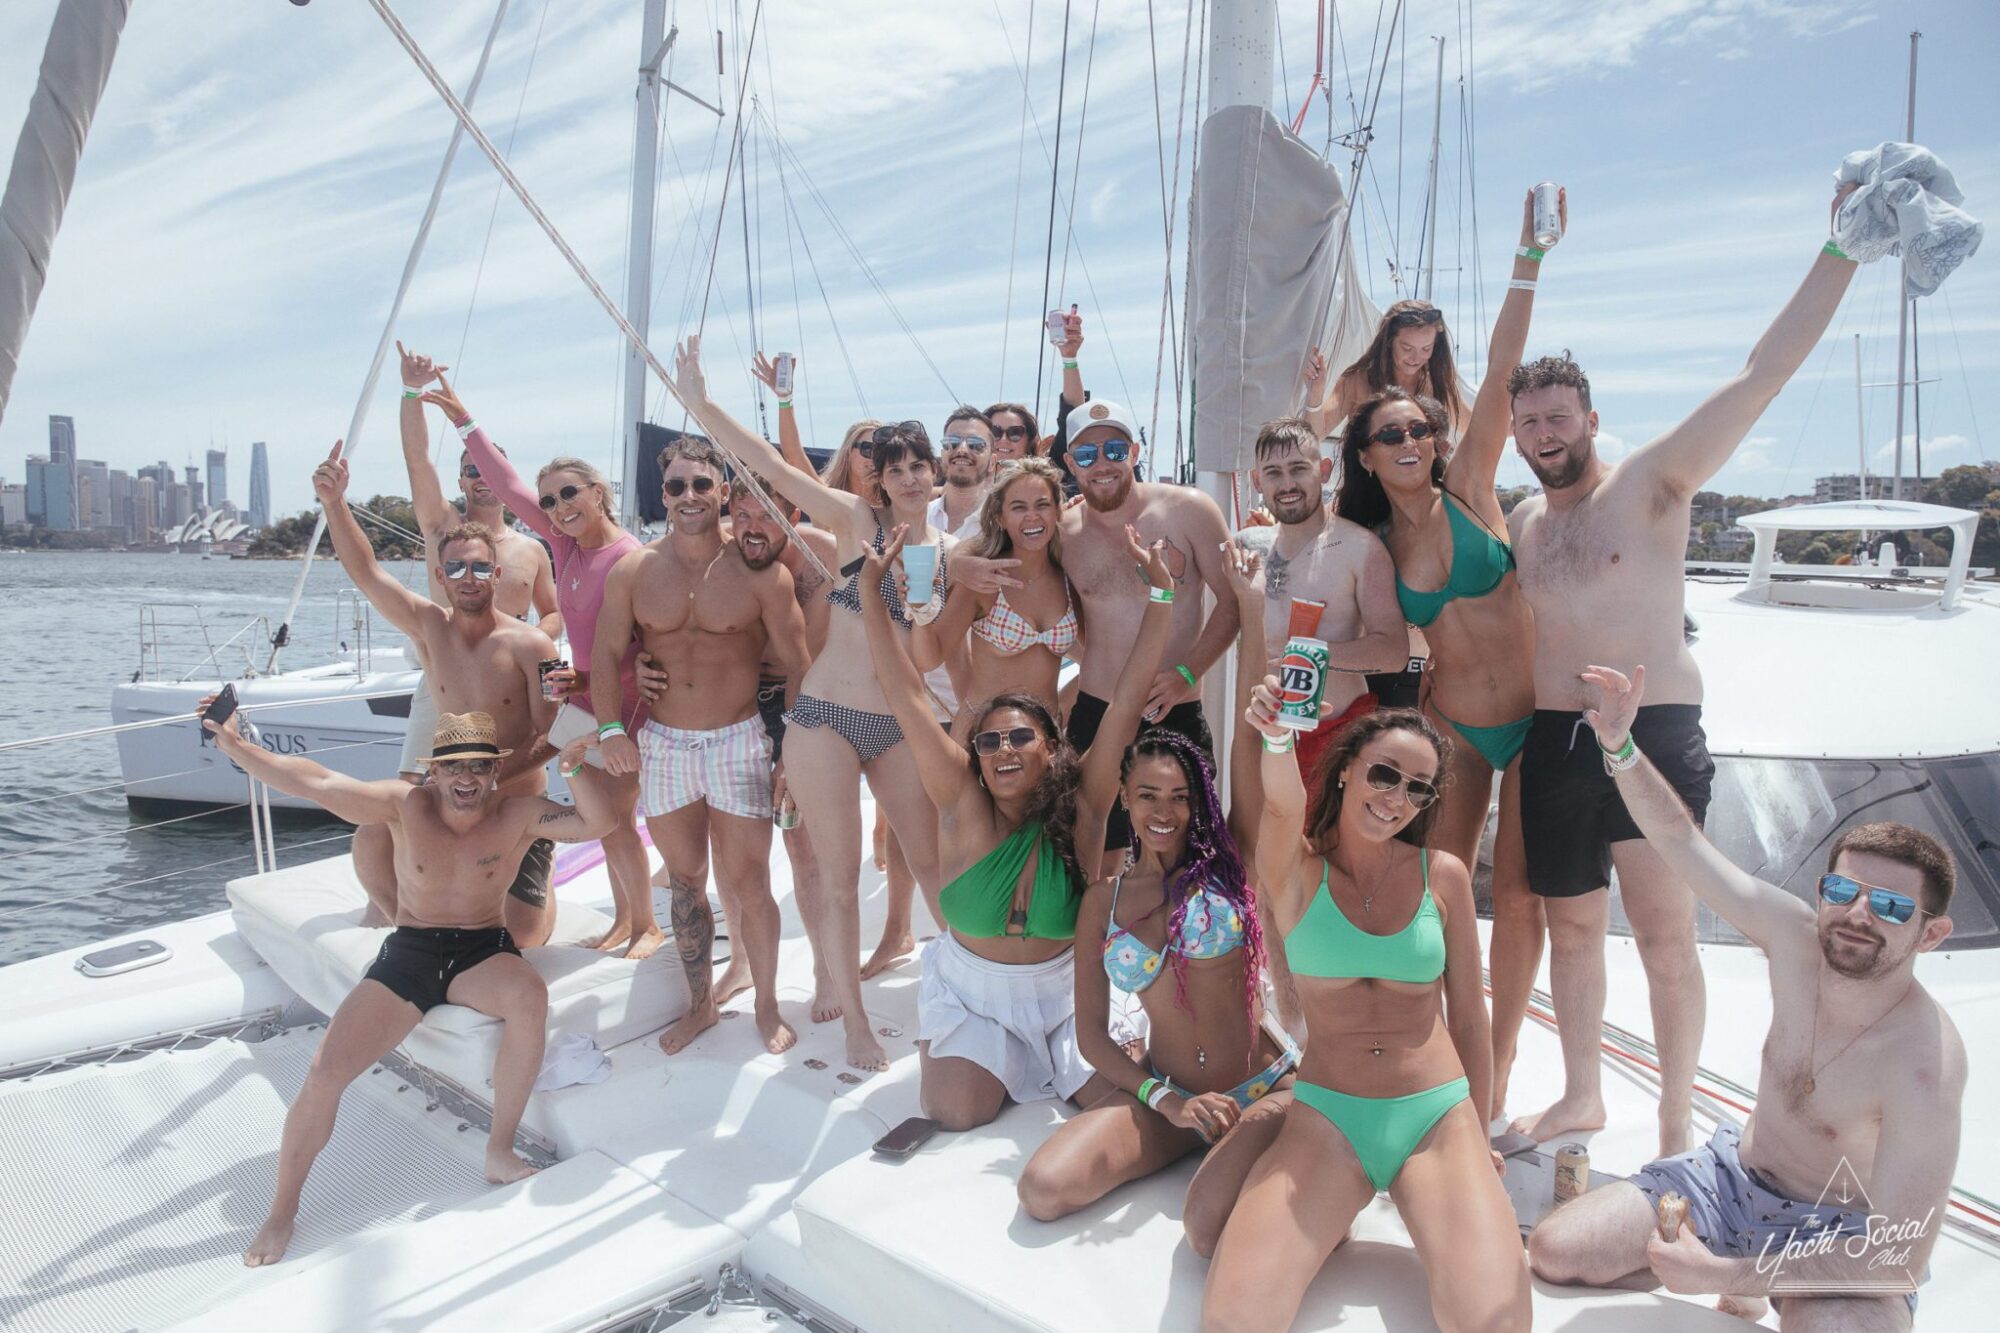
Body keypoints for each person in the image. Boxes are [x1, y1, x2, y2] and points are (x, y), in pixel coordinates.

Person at [1505, 186, 1860, 1158]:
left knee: (1664, 939)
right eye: (1526, 419)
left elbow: (1759, 375)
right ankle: (1581, 1095)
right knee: (1571, 937)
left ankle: (1670, 1117)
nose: (1542, 432)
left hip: (1648, 733)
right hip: (1551, 741)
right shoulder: (1520, 526)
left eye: (1556, 414)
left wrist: (1837, 252)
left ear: (1587, 416)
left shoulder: (1651, 483)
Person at [1528, 665, 1963, 1330]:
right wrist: (1620, 746)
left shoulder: (1926, 1059)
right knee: (1557, 1250)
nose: (1858, 916)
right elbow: (1679, 841)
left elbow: (1895, 1257)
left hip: (1834, 1224)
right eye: (1844, 893)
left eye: (1892, 906)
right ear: (1824, 894)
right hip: (1730, 1179)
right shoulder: (1793, 940)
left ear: (1931, 933)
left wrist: (1724, 1274)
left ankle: (1750, 1280)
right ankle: (1726, 1262)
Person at [209, 706, 613, 1267]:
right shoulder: (403, 806)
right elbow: (317, 781)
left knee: (529, 997)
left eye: (477, 767)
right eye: (454, 768)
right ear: (434, 773)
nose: (466, 778)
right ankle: (282, 1211)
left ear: (495, 772)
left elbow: (597, 825)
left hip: (481, 950)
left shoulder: (518, 813)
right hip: (411, 954)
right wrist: (237, 749)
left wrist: (573, 766)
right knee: (326, 1071)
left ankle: (498, 1149)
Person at [1332, 187, 1561, 1120]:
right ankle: (1424, 1051)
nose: (1414, 439)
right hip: (1455, 728)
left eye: (1421, 427)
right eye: (1393, 433)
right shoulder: (1373, 533)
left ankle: (1494, 1075)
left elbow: (1505, 368)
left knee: (1525, 901)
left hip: (1537, 717)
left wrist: (1527, 259)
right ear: (1369, 449)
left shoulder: (1470, 482)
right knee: (1441, 893)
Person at [670, 335, 956, 1071]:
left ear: (936, 474)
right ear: (881, 481)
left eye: (921, 466)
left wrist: (923, 603)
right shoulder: (855, 525)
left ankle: (958, 996)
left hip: (897, 722)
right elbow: (769, 468)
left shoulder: (943, 553)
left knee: (929, 865)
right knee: (836, 875)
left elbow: (926, 655)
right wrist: (701, 401)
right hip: (825, 716)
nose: (912, 478)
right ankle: (856, 1023)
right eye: (897, 469)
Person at [1200, 700, 1527, 1333]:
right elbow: (1278, 808)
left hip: (1436, 1115)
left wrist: (1481, 1139)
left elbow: (1468, 1020)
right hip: (1330, 1118)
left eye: (1416, 788)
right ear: (1347, 769)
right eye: (1384, 774)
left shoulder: (1445, 877)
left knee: (1493, 1325)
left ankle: (1350, 1204)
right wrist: (1276, 740)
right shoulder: (1296, 870)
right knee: (1232, 1323)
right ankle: (1326, 1198)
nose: (1397, 797)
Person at [858, 523, 1176, 1131]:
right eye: (989, 740)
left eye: (1021, 737)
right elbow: (905, 693)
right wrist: (873, 592)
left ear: (1052, 748)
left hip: (1069, 993)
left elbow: (1129, 698)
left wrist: (1161, 596)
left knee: (1120, 1109)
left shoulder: (1085, 803)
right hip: (973, 996)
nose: (1004, 750)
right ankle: (976, 1052)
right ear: (974, 753)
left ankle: (1058, 1059)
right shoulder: (960, 802)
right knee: (954, 1111)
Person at [420, 373, 659, 961]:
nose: (556, 508)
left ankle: (646, 925)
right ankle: (625, 919)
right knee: (600, 821)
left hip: (624, 712)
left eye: (569, 495)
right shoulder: (564, 548)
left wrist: (647, 677)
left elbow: (651, 641)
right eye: (550, 501)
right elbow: (506, 483)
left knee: (621, 822)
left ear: (598, 493)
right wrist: (461, 418)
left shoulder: (628, 557)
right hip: (586, 702)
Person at [1015, 729, 1296, 1224]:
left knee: (1208, 1220)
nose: (1164, 812)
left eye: (1179, 798)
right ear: (1125, 797)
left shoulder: (1231, 868)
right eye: (1148, 795)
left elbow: (1246, 746)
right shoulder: (1103, 901)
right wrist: (1164, 1100)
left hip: (1263, 1088)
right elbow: (1092, 1037)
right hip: (1171, 1097)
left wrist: (1251, 660)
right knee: (1043, 1189)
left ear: (1198, 804)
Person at [594, 438, 810, 1057]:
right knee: (686, 883)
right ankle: (702, 1006)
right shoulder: (634, 571)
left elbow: (798, 665)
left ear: (722, 491)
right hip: (664, 746)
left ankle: (766, 1005)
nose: (688, 496)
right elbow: (608, 655)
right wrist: (611, 730)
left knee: (749, 881)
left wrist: (790, 748)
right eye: (676, 486)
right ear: (661, 495)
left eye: (700, 485)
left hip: (740, 741)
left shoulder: (763, 574)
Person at [310, 442, 563, 946]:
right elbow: (366, 572)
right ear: (440, 579)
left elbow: (556, 735)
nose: (466, 579)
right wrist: (335, 504)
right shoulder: (430, 629)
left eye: (477, 569)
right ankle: (413, 924)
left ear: (496, 574)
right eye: (453, 570)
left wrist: (488, 776)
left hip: (511, 806)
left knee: (524, 939)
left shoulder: (532, 644)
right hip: (449, 799)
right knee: (372, 836)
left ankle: (531, 879)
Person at [350, 345, 562, 927]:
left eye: (488, 467)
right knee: (412, 807)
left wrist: (525, 640)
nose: (479, 477)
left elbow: (553, 614)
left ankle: (517, 897)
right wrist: (411, 393)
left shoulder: (531, 549)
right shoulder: (442, 526)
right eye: (469, 469)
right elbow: (417, 458)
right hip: (442, 686)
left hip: (509, 685)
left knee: (503, 808)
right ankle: (396, 914)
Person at [1060, 397, 1238, 874]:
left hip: (1174, 707)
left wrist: (1187, 672)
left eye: (1115, 451)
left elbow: (1233, 600)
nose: (1102, 464)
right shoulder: (1063, 531)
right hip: (1096, 709)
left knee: (1185, 853)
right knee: (1096, 853)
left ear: (1135, 452)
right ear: (1069, 464)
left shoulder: (1191, 510)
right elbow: (1067, 617)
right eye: (1086, 455)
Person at [1228, 417, 1408, 831]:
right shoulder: (1245, 546)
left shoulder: (1360, 548)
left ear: (1323, 470)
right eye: (1273, 473)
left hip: (1337, 731)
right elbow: (1220, 622)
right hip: (1261, 727)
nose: (1286, 483)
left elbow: (1393, 651)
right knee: (1262, 863)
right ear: (1257, 480)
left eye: (1298, 469)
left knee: (1328, 863)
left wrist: (1310, 653)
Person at [910, 457, 1076, 718]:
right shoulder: (984, 580)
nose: (1032, 516)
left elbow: (1098, 660)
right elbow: (929, 659)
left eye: (1042, 505)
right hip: (984, 740)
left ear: (1057, 511)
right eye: (1018, 508)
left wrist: (1060, 712)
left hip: (1043, 743)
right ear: (1000, 517)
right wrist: (919, 609)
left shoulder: (1068, 579)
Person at [1302, 298, 1469, 440]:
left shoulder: (1438, 386)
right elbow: (1315, 435)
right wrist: (1315, 393)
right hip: (1366, 477)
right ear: (1389, 341)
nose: (1416, 358)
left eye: (1426, 349)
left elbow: (1475, 427)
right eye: (1407, 348)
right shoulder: (1358, 381)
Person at [928, 406, 999, 541]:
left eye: (976, 445)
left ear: (992, 462)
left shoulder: (1001, 523)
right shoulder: (919, 518)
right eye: (952, 443)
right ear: (942, 455)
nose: (962, 450)